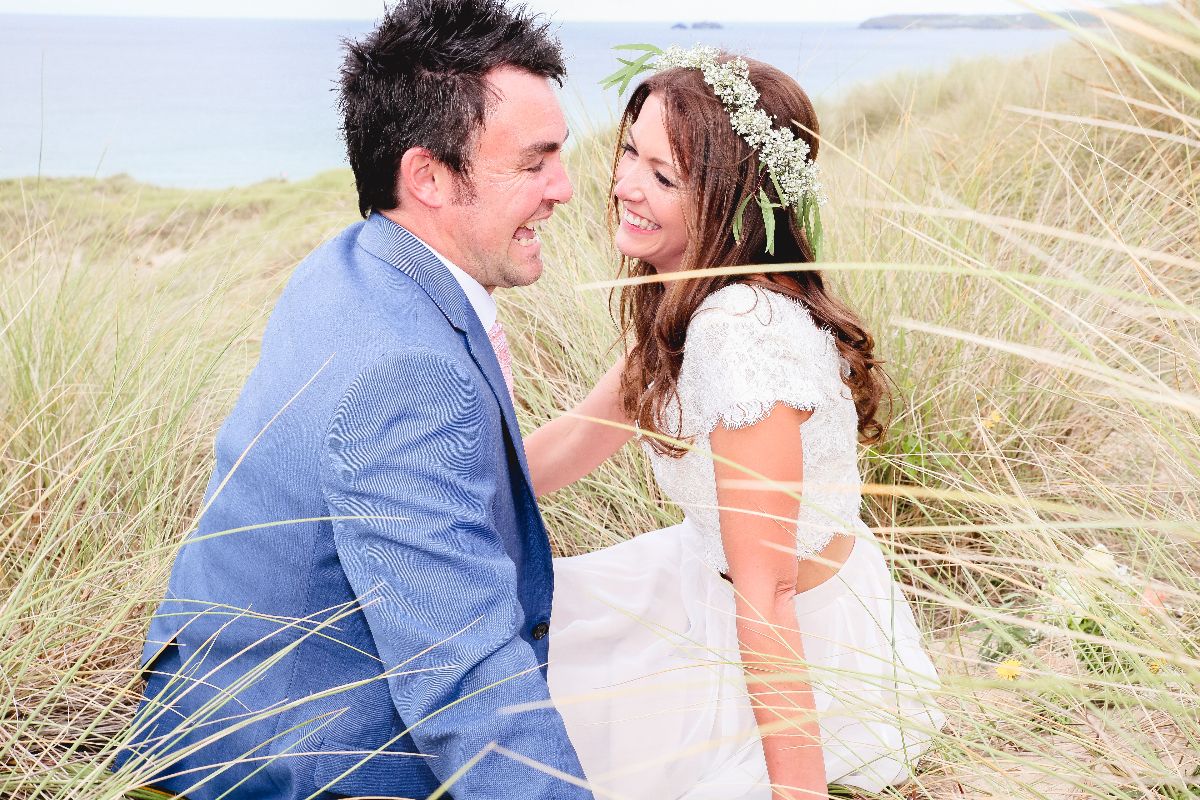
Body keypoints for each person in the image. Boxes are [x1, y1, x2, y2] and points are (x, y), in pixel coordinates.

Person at [113, 2, 594, 798]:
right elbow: (464, 674)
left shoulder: (354, 262)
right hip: (296, 763)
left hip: (211, 707)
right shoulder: (407, 374)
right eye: (535, 162)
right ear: (429, 176)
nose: (564, 189)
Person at [525, 47, 945, 800]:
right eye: (630, 152)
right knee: (521, 652)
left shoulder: (742, 337)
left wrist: (797, 794)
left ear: (731, 203)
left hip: (798, 646)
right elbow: (575, 437)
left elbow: (769, 591)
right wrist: (425, 498)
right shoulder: (688, 292)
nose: (625, 186)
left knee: (552, 744)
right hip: (697, 581)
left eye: (663, 176)